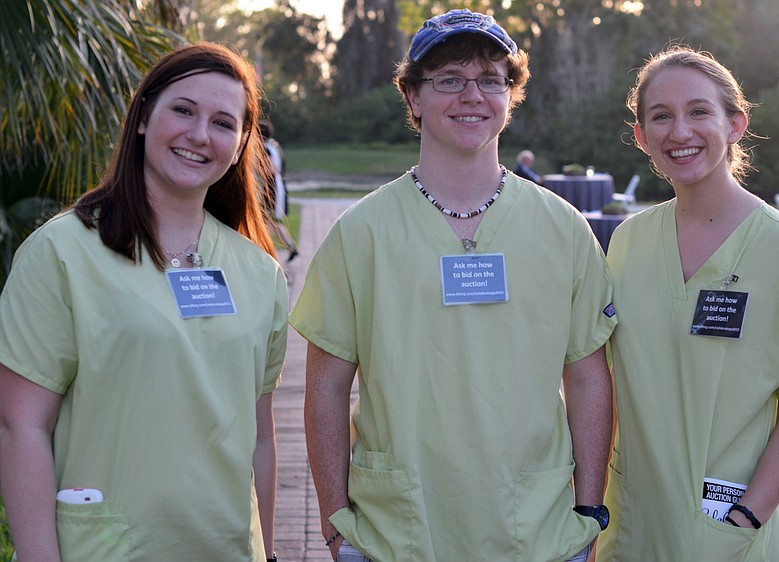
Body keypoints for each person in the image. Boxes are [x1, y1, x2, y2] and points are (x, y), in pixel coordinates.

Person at [290, 9, 616, 562]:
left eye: (491, 79)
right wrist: (335, 526)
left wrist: (587, 513)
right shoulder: (361, 232)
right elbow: (325, 388)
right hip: (397, 532)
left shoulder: (563, 228)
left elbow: (587, 378)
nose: (472, 95)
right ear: (413, 97)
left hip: (534, 530)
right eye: (449, 79)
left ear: (511, 95)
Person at [0, 42, 288, 562]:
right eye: (183, 110)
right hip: (103, 549)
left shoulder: (260, 274)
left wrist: (265, 552)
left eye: (223, 123)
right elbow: (21, 425)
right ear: (142, 117)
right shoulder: (60, 253)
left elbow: (259, 439)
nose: (199, 135)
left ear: (241, 144)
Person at [596, 45, 779, 561]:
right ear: (641, 136)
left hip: (734, 535)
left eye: (698, 111)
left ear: (735, 124)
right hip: (634, 529)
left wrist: (745, 517)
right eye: (660, 116)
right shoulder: (626, 242)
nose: (679, 131)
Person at [259, 119, 298, 262]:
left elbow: (269, 169)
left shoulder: (266, 148)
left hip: (271, 187)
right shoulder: (274, 145)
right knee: (270, 220)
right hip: (278, 184)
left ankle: (266, 253)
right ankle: (289, 246)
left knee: (266, 219)